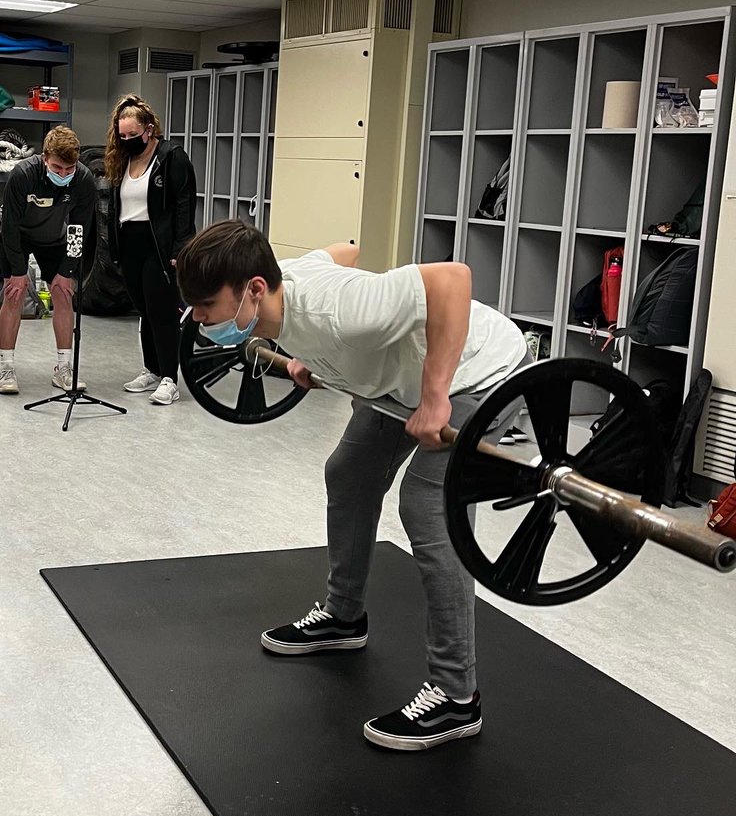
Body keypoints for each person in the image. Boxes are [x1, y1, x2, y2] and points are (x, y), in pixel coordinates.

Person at [176, 220, 530, 753]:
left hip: (480, 373)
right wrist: (306, 356)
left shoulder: (342, 310)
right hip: (398, 381)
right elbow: (346, 249)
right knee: (348, 473)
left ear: (252, 289)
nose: (199, 320)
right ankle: (344, 618)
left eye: (206, 306)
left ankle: (458, 696)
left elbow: (453, 279)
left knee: (427, 504)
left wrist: (436, 399)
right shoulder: (282, 286)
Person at [105, 94, 196, 407]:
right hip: (129, 240)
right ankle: (152, 369)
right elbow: (116, 205)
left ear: (149, 129)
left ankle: (170, 377)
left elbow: (184, 205)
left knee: (162, 311)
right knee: (143, 310)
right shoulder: (123, 159)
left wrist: (181, 246)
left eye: (134, 134)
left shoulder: (172, 157)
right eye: (123, 135)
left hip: (159, 244)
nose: (128, 140)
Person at [0, 126, 96, 394]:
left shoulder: (84, 180)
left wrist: (67, 270)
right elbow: (10, 227)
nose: (63, 174)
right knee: (13, 294)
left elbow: (79, 230)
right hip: (16, 236)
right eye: (57, 168)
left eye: (69, 169)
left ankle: (63, 368)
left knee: (63, 294)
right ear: (44, 158)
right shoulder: (22, 175)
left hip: (55, 239)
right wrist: (18, 272)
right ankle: (7, 368)